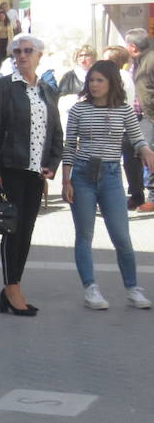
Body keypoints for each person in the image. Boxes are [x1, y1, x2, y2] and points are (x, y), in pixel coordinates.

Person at [62, 60, 154, 310]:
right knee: (84, 235)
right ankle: (91, 289)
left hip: (111, 175)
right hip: (82, 175)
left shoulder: (124, 110)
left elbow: (137, 138)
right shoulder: (78, 110)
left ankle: (133, 288)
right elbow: (69, 146)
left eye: (99, 80)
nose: (94, 84)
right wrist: (66, 180)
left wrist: (147, 151)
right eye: (91, 80)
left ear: (112, 82)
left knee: (122, 237)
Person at [0, 34, 63, 317]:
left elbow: (56, 132)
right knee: (11, 229)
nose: (22, 55)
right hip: (11, 169)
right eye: (17, 51)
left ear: (40, 55)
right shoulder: (3, 88)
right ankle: (12, 286)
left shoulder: (46, 90)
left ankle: (12, 287)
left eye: (28, 51)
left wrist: (52, 162)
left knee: (26, 231)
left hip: (35, 172)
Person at [105, 45, 146, 210]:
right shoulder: (122, 75)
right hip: (123, 125)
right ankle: (136, 195)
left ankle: (121, 199)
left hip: (118, 126)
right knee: (130, 164)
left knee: (117, 164)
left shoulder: (118, 76)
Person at [128, 29, 154, 212]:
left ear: (132, 46)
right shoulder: (137, 61)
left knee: (148, 154)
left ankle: (153, 197)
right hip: (135, 115)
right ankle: (136, 195)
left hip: (149, 115)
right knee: (132, 155)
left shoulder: (151, 61)